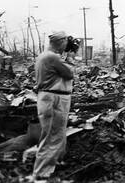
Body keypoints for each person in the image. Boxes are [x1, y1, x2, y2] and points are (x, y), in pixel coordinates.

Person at [32, 31, 74, 180]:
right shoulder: (52, 57)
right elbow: (69, 74)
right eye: (65, 43)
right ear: (61, 42)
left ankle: (53, 165)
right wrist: (70, 57)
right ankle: (41, 173)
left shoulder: (44, 56)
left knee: (57, 134)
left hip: (51, 96)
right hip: (54, 98)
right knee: (52, 136)